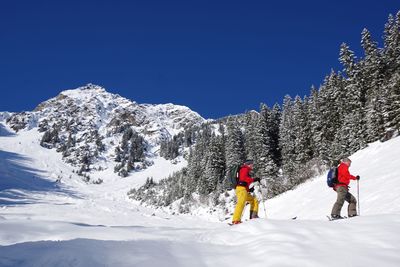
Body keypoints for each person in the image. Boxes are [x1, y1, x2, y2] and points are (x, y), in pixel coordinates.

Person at [232, 160, 260, 224]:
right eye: (251, 164)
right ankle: (236, 220)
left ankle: (253, 216)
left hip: (243, 189)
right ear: (248, 164)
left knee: (254, 200)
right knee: (241, 203)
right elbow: (243, 179)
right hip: (241, 189)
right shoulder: (244, 169)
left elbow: (243, 182)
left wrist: (249, 189)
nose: (252, 165)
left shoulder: (245, 170)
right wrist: (253, 179)